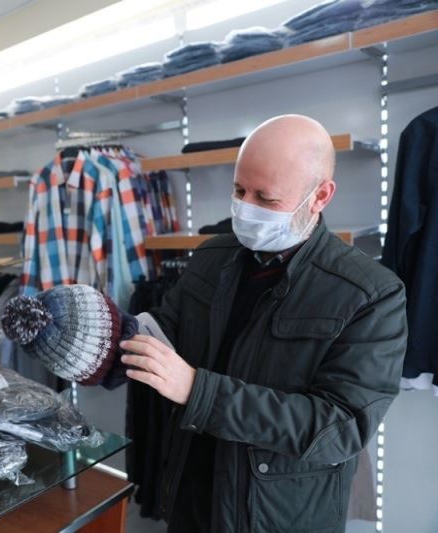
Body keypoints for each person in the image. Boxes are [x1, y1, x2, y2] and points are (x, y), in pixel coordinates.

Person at [120, 114, 407, 533]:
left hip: (275, 516)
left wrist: (198, 390)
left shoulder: (370, 294)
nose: (246, 208)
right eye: (239, 191)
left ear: (320, 196)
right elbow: (163, 332)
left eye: (267, 199)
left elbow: (339, 428)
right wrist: (104, 332)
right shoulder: (212, 257)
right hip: (192, 499)